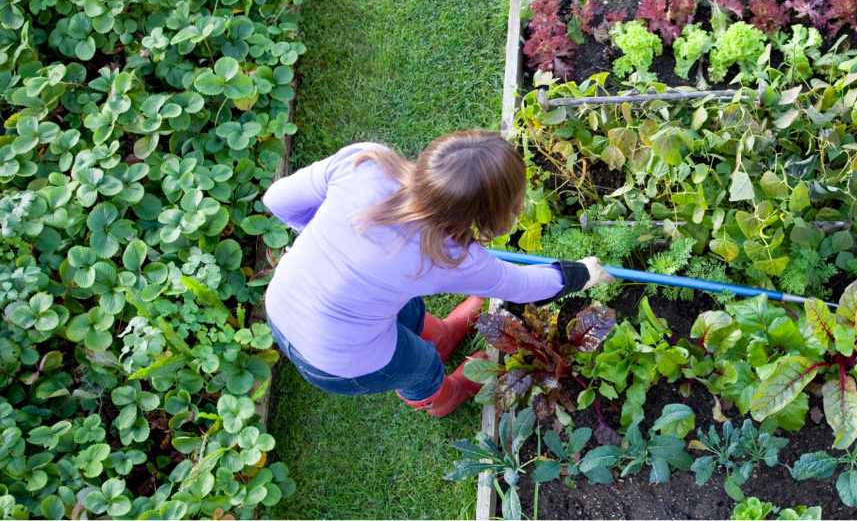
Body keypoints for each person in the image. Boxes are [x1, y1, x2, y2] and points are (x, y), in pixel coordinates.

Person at [261, 130, 613, 417]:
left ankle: (442, 335)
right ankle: (444, 398)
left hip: (281, 304)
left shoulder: (365, 163)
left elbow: (277, 199)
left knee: (403, 305)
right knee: (420, 364)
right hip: (335, 359)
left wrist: (326, 240)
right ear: (491, 214)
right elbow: (523, 286)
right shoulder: (450, 256)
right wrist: (583, 274)